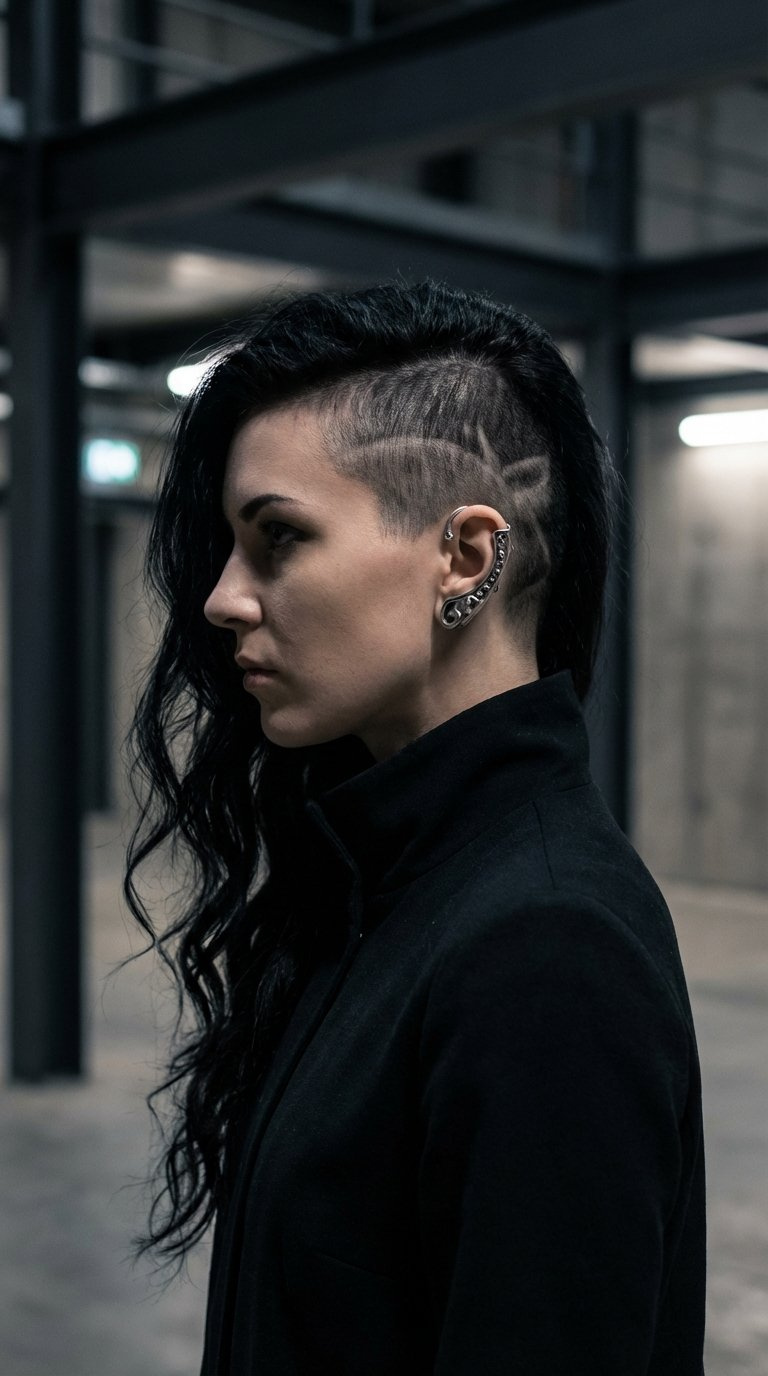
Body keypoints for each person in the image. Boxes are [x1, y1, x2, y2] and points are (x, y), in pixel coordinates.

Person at [123, 279, 706, 1375]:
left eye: (278, 537)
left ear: (466, 558)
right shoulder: (379, 882)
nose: (221, 597)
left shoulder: (543, 945)